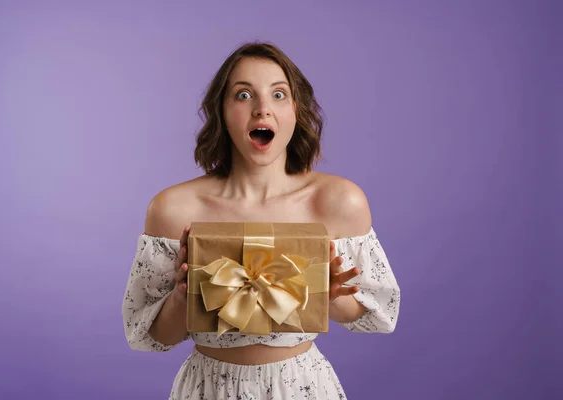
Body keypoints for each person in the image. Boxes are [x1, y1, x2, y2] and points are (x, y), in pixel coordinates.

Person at [122, 41, 400, 399]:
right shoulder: (172, 209)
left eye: (279, 95)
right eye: (243, 96)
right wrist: (181, 297)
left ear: (296, 111)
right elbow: (151, 336)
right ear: (221, 111)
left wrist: (329, 297)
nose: (262, 109)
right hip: (208, 388)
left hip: (301, 387)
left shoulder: (339, 202)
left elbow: (376, 315)